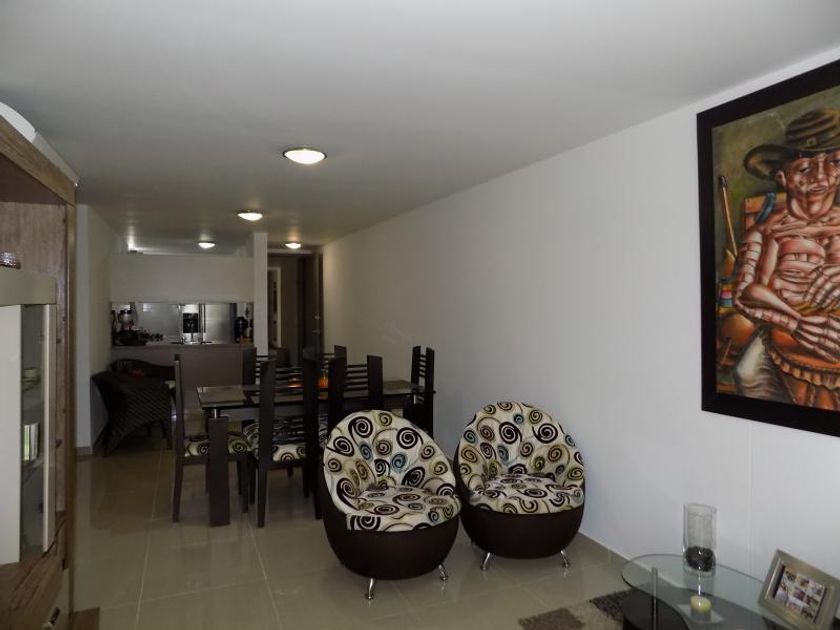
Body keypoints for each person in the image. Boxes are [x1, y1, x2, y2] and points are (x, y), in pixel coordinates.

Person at [733, 108, 840, 408]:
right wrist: (796, 323)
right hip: (786, 330)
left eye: (834, 162)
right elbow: (744, 294)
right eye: (805, 168)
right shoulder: (765, 232)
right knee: (748, 373)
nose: (821, 176)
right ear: (783, 177)